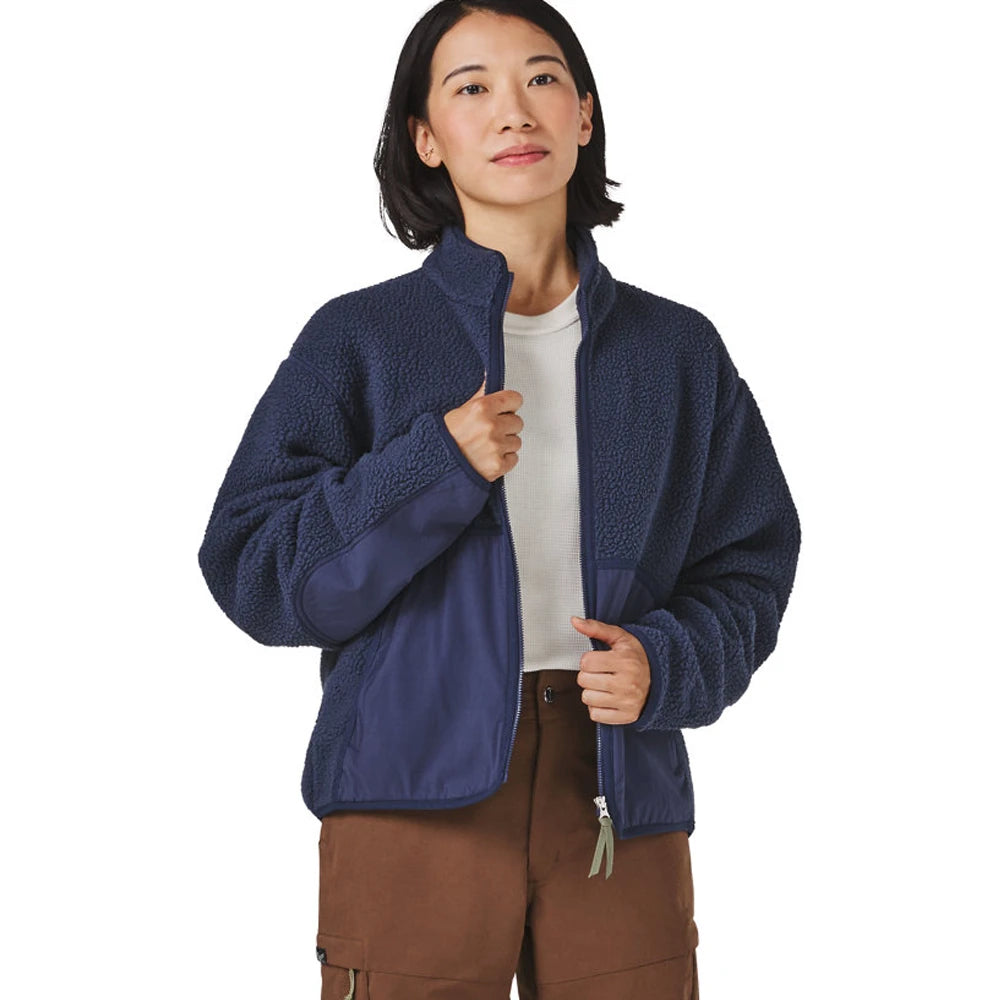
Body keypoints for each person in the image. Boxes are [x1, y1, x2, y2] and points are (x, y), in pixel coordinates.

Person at [196, 1, 801, 996]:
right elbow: (258, 570)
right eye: (471, 87)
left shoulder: (676, 351)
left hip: (616, 786)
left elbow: (749, 562)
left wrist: (668, 663)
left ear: (584, 116)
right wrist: (434, 464)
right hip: (407, 788)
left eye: (542, 78)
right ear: (426, 138)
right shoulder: (361, 339)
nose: (514, 110)